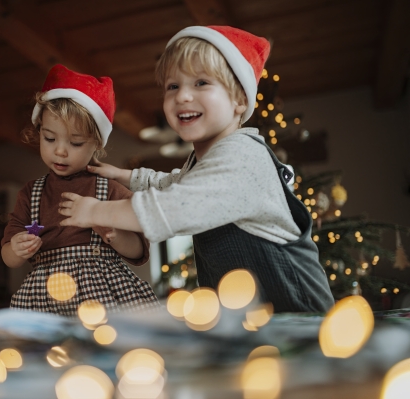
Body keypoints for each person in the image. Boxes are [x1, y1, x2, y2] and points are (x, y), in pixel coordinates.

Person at [59, 26, 335, 313]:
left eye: (201, 83)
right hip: (253, 323)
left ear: (240, 100)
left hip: (301, 319)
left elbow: (175, 206)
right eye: (173, 86)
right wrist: (126, 176)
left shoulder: (242, 157)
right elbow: (177, 182)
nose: (182, 96)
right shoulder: (207, 161)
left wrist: (93, 211)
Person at [1, 64, 159, 316]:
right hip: (45, 297)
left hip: (100, 297)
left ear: (96, 143)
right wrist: (16, 249)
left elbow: (139, 251)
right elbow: (8, 256)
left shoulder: (109, 188)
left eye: (75, 142)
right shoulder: (31, 193)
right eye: (50, 139)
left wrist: (113, 234)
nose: (60, 151)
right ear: (39, 131)